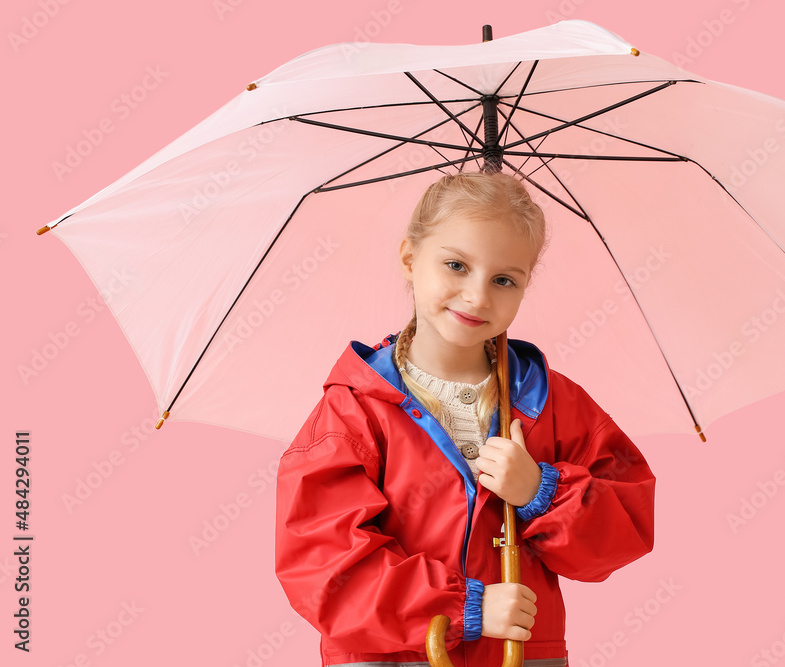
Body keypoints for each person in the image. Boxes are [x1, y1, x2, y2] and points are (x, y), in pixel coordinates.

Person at [274, 171, 655, 666]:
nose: (477, 297)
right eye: (456, 265)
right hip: (390, 656)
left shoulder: (551, 401)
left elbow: (623, 530)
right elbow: (322, 565)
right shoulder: (354, 411)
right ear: (411, 259)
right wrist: (465, 608)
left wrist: (541, 491)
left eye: (504, 280)